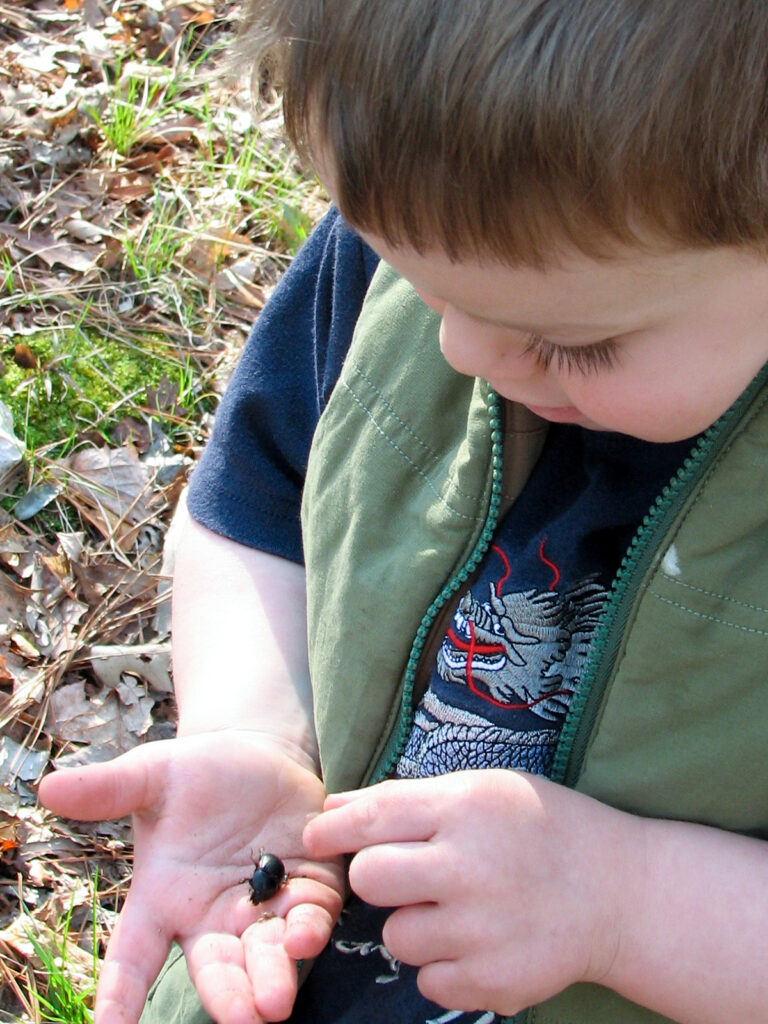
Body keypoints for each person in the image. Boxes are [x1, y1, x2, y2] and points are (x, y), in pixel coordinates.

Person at [38, 1, 768, 1022]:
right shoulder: (445, 228)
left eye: (573, 344)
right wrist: (256, 729)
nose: (465, 353)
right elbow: (254, 500)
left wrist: (634, 901)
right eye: (421, 290)